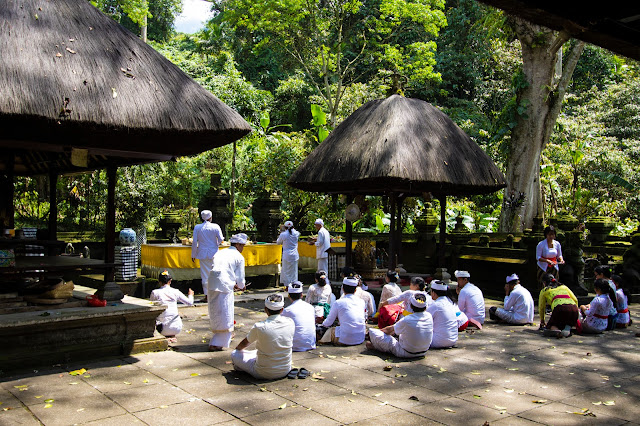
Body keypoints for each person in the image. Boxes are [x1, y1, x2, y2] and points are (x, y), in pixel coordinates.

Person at [231, 294, 295, 380]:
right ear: (282, 310)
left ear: (266, 310)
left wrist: (237, 349)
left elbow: (245, 343)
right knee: (255, 352)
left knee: (235, 354)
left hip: (262, 373)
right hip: (285, 370)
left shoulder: (259, 326)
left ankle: (240, 368)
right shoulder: (290, 322)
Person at [207, 233, 247, 351]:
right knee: (225, 312)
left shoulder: (221, 251)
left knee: (215, 310)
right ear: (238, 245)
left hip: (213, 282)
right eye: (242, 246)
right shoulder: (239, 256)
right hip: (224, 286)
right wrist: (241, 286)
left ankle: (223, 337)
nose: (242, 249)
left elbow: (220, 269)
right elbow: (240, 277)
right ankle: (218, 342)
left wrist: (233, 283)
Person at [366, 293, 433, 358]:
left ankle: (374, 346)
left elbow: (389, 330)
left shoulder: (407, 319)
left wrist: (377, 332)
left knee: (374, 333)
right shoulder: (429, 316)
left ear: (411, 306)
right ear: (425, 307)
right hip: (423, 352)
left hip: (406, 353)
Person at [150, 270, 194, 343]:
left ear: (159, 281)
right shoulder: (175, 291)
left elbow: (151, 306)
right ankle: (171, 336)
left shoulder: (155, 292)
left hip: (162, 328)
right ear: (170, 281)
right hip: (177, 328)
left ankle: (166, 336)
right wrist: (190, 295)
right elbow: (190, 302)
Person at [319, 277, 366, 345]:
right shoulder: (361, 302)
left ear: (343, 289)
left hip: (345, 339)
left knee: (330, 331)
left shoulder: (338, 303)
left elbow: (328, 323)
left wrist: (321, 325)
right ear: (355, 290)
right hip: (360, 338)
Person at [191, 209, 224, 302]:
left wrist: (193, 254)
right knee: (216, 273)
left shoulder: (197, 227)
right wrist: (216, 244)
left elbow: (194, 242)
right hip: (214, 253)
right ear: (211, 217)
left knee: (205, 275)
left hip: (202, 253)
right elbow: (221, 238)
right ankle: (217, 293)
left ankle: (207, 295)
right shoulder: (215, 226)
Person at [281, 281, 316, 351]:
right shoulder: (311, 307)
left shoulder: (287, 310)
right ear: (302, 295)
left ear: (289, 296)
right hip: (311, 344)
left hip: (294, 346)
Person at [427, 280, 458, 349]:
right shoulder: (450, 303)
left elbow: (423, 319)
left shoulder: (436, 305)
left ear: (434, 293)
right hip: (453, 339)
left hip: (439, 341)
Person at [277, 220, 300, 286]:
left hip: (286, 255)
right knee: (294, 271)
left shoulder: (283, 234)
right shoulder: (297, 233)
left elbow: (278, 242)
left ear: (285, 227)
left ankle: (287, 285)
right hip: (294, 255)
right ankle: (294, 284)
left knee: (286, 270)